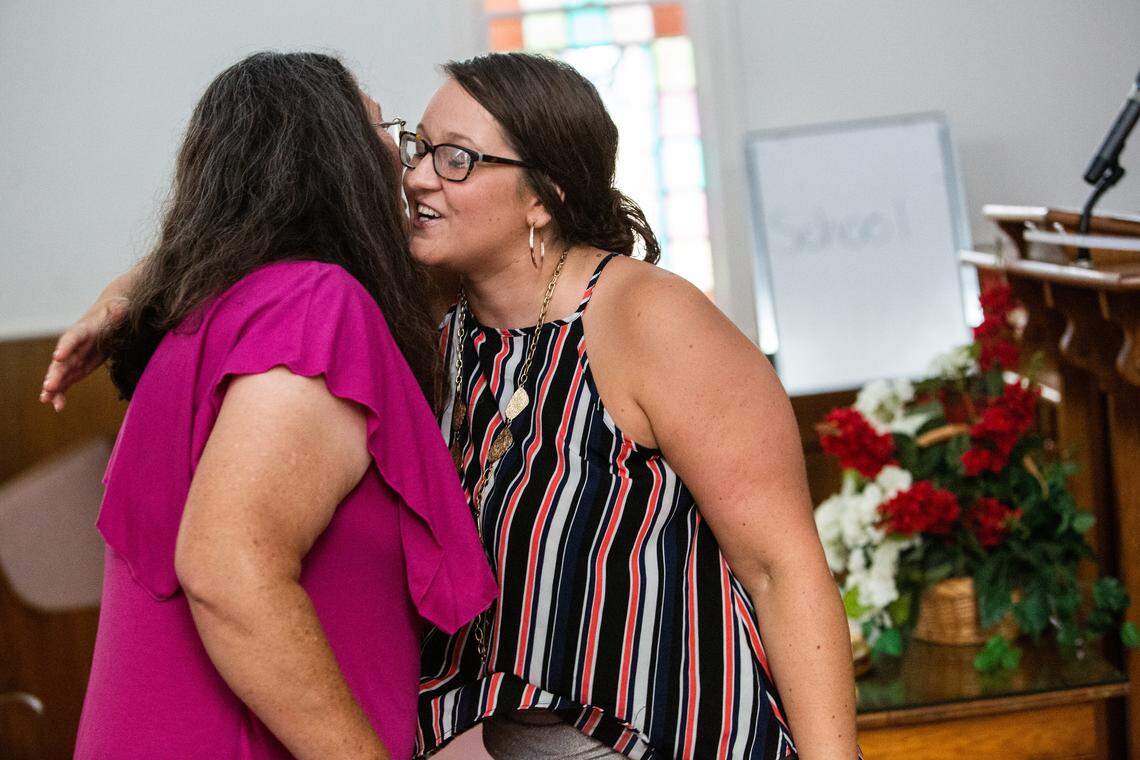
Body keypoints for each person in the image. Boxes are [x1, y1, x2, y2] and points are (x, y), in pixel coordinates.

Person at [45, 52, 858, 759]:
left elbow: (779, 567)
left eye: (458, 159)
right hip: (476, 734)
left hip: (652, 727)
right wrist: (126, 297)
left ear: (545, 195)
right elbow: (261, 211)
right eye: (418, 149)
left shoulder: (647, 317)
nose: (417, 176)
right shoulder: (428, 323)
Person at [64, 51, 496, 760]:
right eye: (383, 127)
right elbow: (230, 567)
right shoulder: (312, 307)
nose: (405, 162)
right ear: (338, 159)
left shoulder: (213, 310)